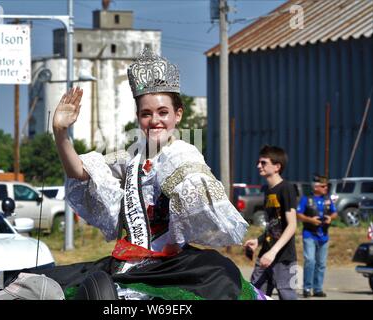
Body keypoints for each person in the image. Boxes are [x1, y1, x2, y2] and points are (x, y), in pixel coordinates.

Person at [17, 47, 267, 300]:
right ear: (138, 117)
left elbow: (197, 200)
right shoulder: (131, 159)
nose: (155, 120)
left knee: (220, 281)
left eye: (163, 112)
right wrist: (60, 133)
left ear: (177, 115)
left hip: (172, 264)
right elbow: (81, 171)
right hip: (129, 262)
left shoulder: (182, 153)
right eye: (146, 113)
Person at [243, 145, 298, 300]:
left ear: (277, 167)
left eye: (263, 163)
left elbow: (292, 225)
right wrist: (258, 241)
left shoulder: (286, 188)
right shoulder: (267, 190)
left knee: (287, 295)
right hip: (265, 255)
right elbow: (274, 225)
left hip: (283, 257)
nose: (258, 166)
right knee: (254, 294)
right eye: (258, 162)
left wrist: (273, 252)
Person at [296, 174, 337, 298]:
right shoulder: (306, 199)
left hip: (323, 236)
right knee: (310, 261)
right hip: (309, 234)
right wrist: (310, 220)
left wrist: (330, 217)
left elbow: (334, 212)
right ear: (316, 187)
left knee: (321, 263)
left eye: (326, 186)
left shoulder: (327, 199)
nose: (326, 188)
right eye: (323, 186)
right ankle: (307, 288)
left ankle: (318, 288)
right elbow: (298, 214)